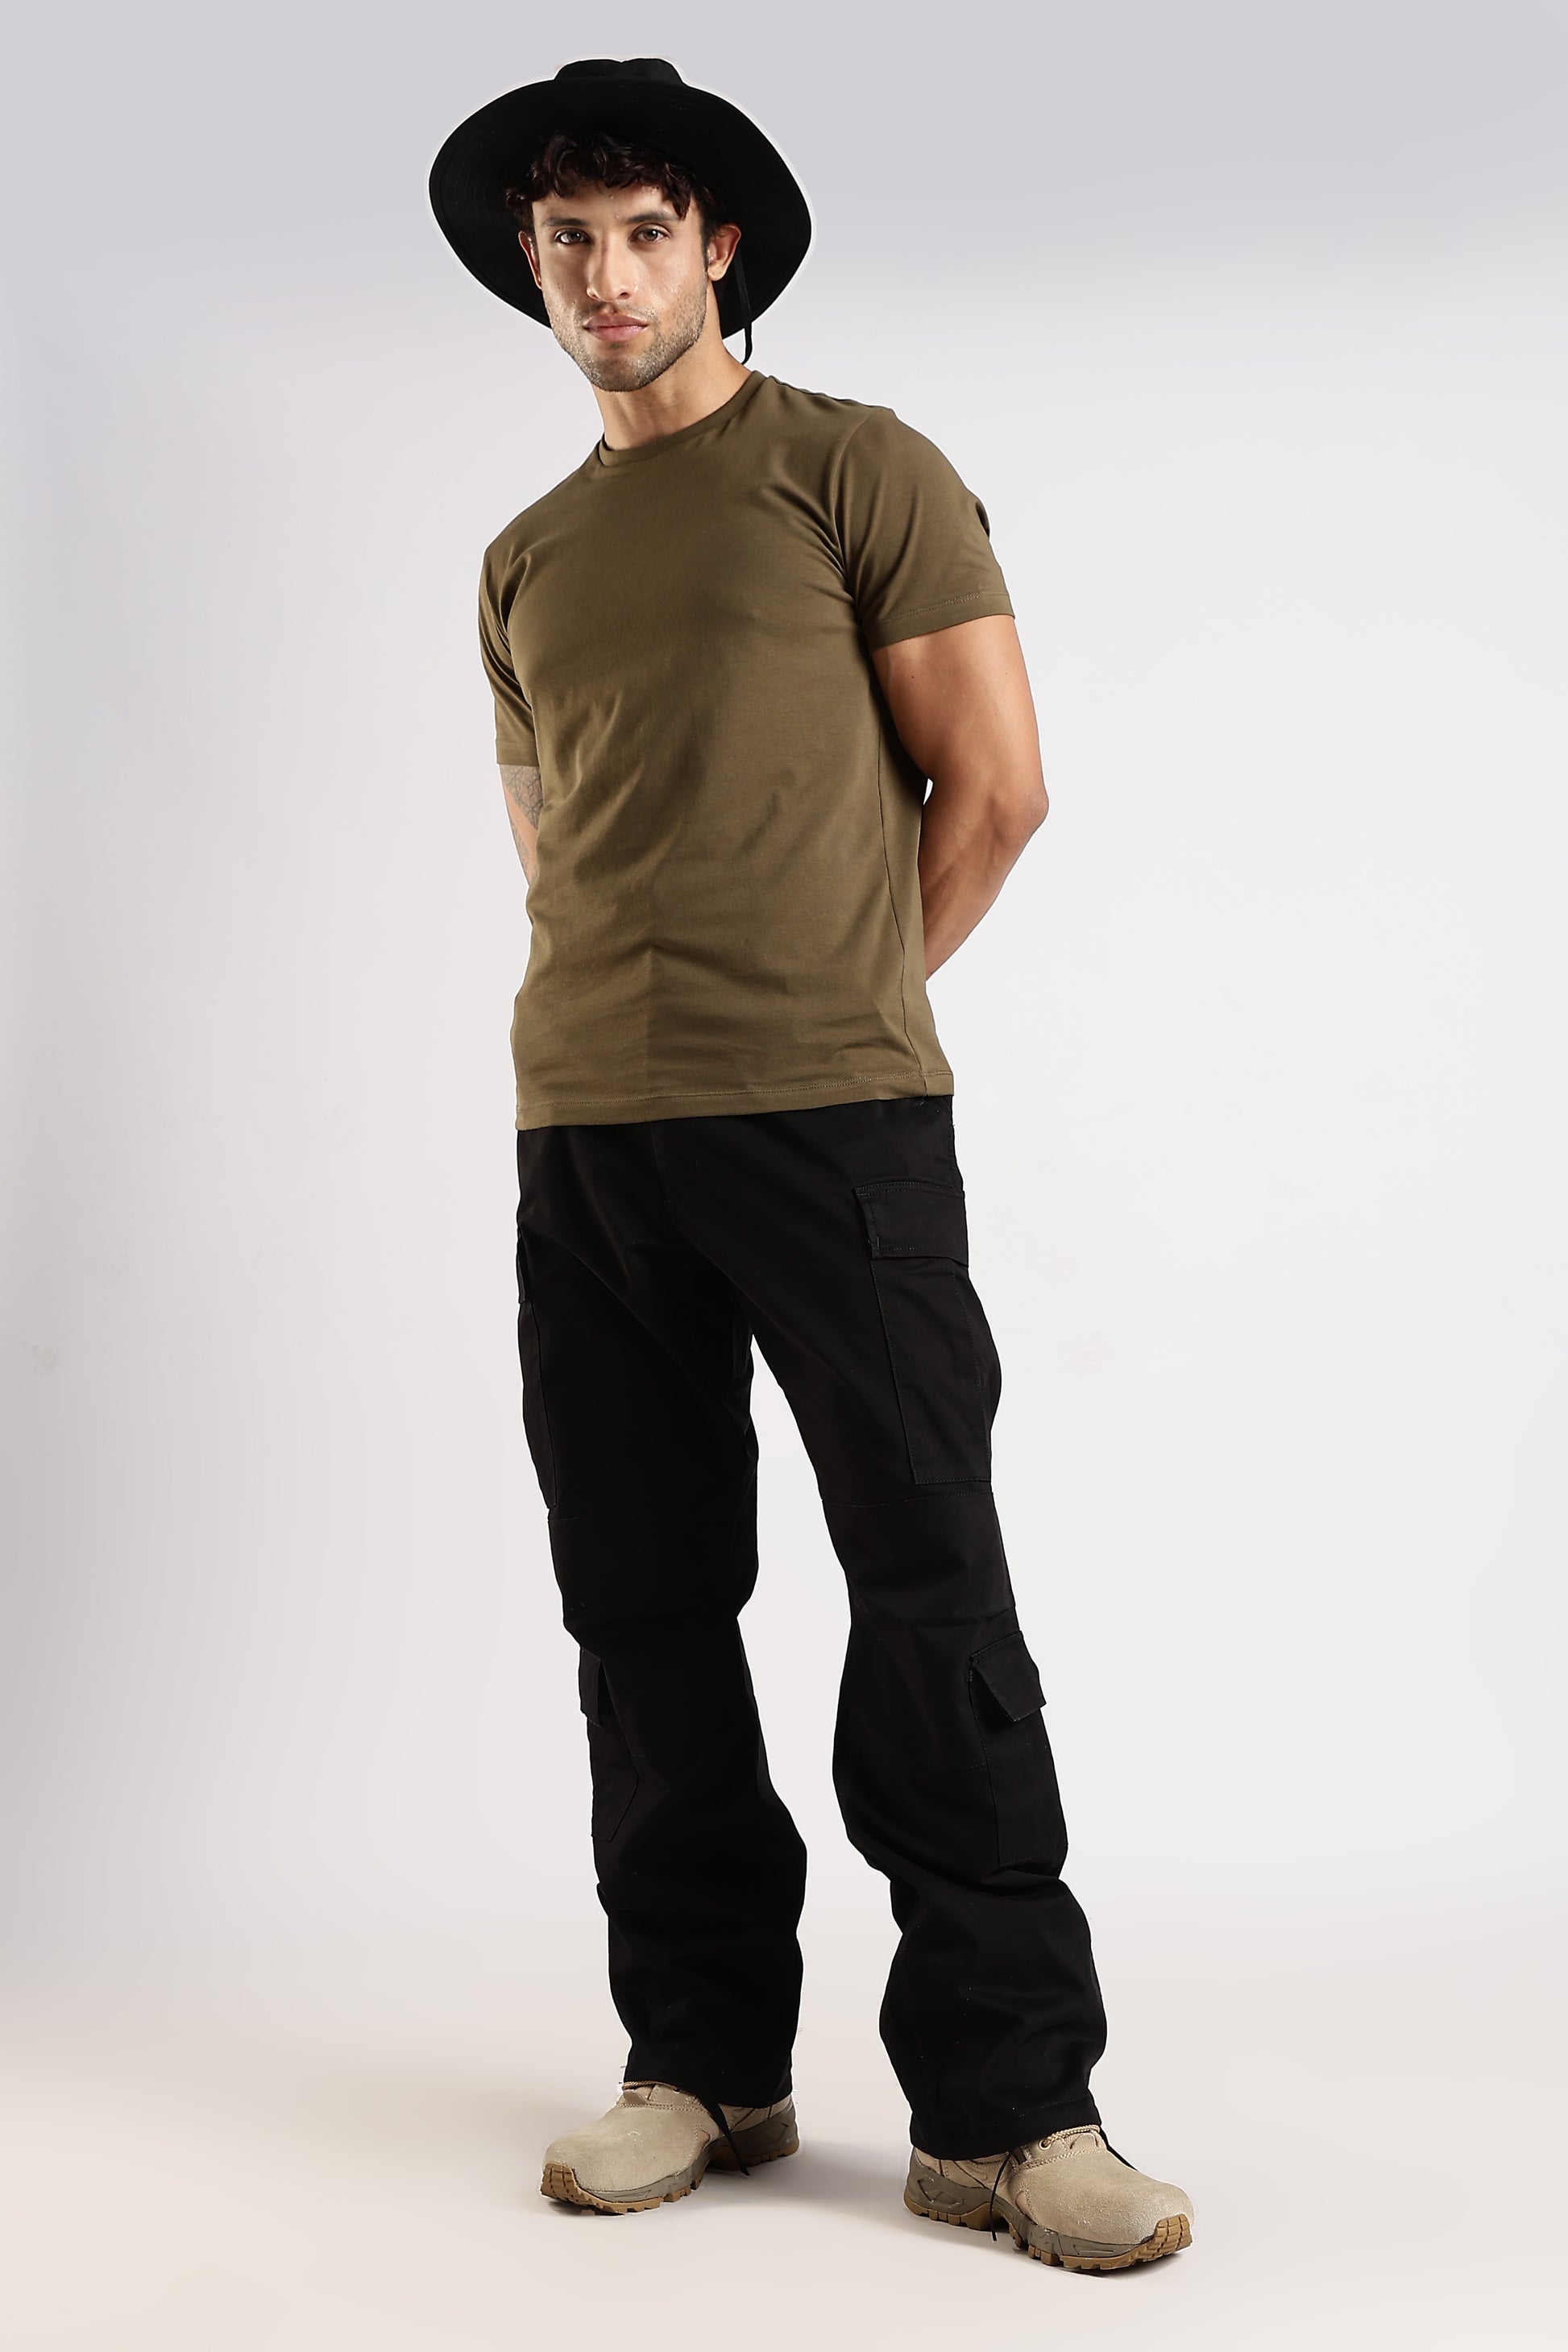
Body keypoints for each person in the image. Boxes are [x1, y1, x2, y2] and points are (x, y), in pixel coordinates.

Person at [429, 57, 1193, 2271]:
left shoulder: (856, 469)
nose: (604, 277)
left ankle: (1011, 2111)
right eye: (566, 243)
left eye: (641, 233)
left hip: (834, 1120)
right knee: (641, 1606)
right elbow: (556, 849)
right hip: (587, 1132)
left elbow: (998, 788)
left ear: (717, 248)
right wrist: (649, 1027)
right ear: (534, 271)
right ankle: (703, 2063)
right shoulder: (524, 557)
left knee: (927, 1584)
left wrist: (833, 1001)